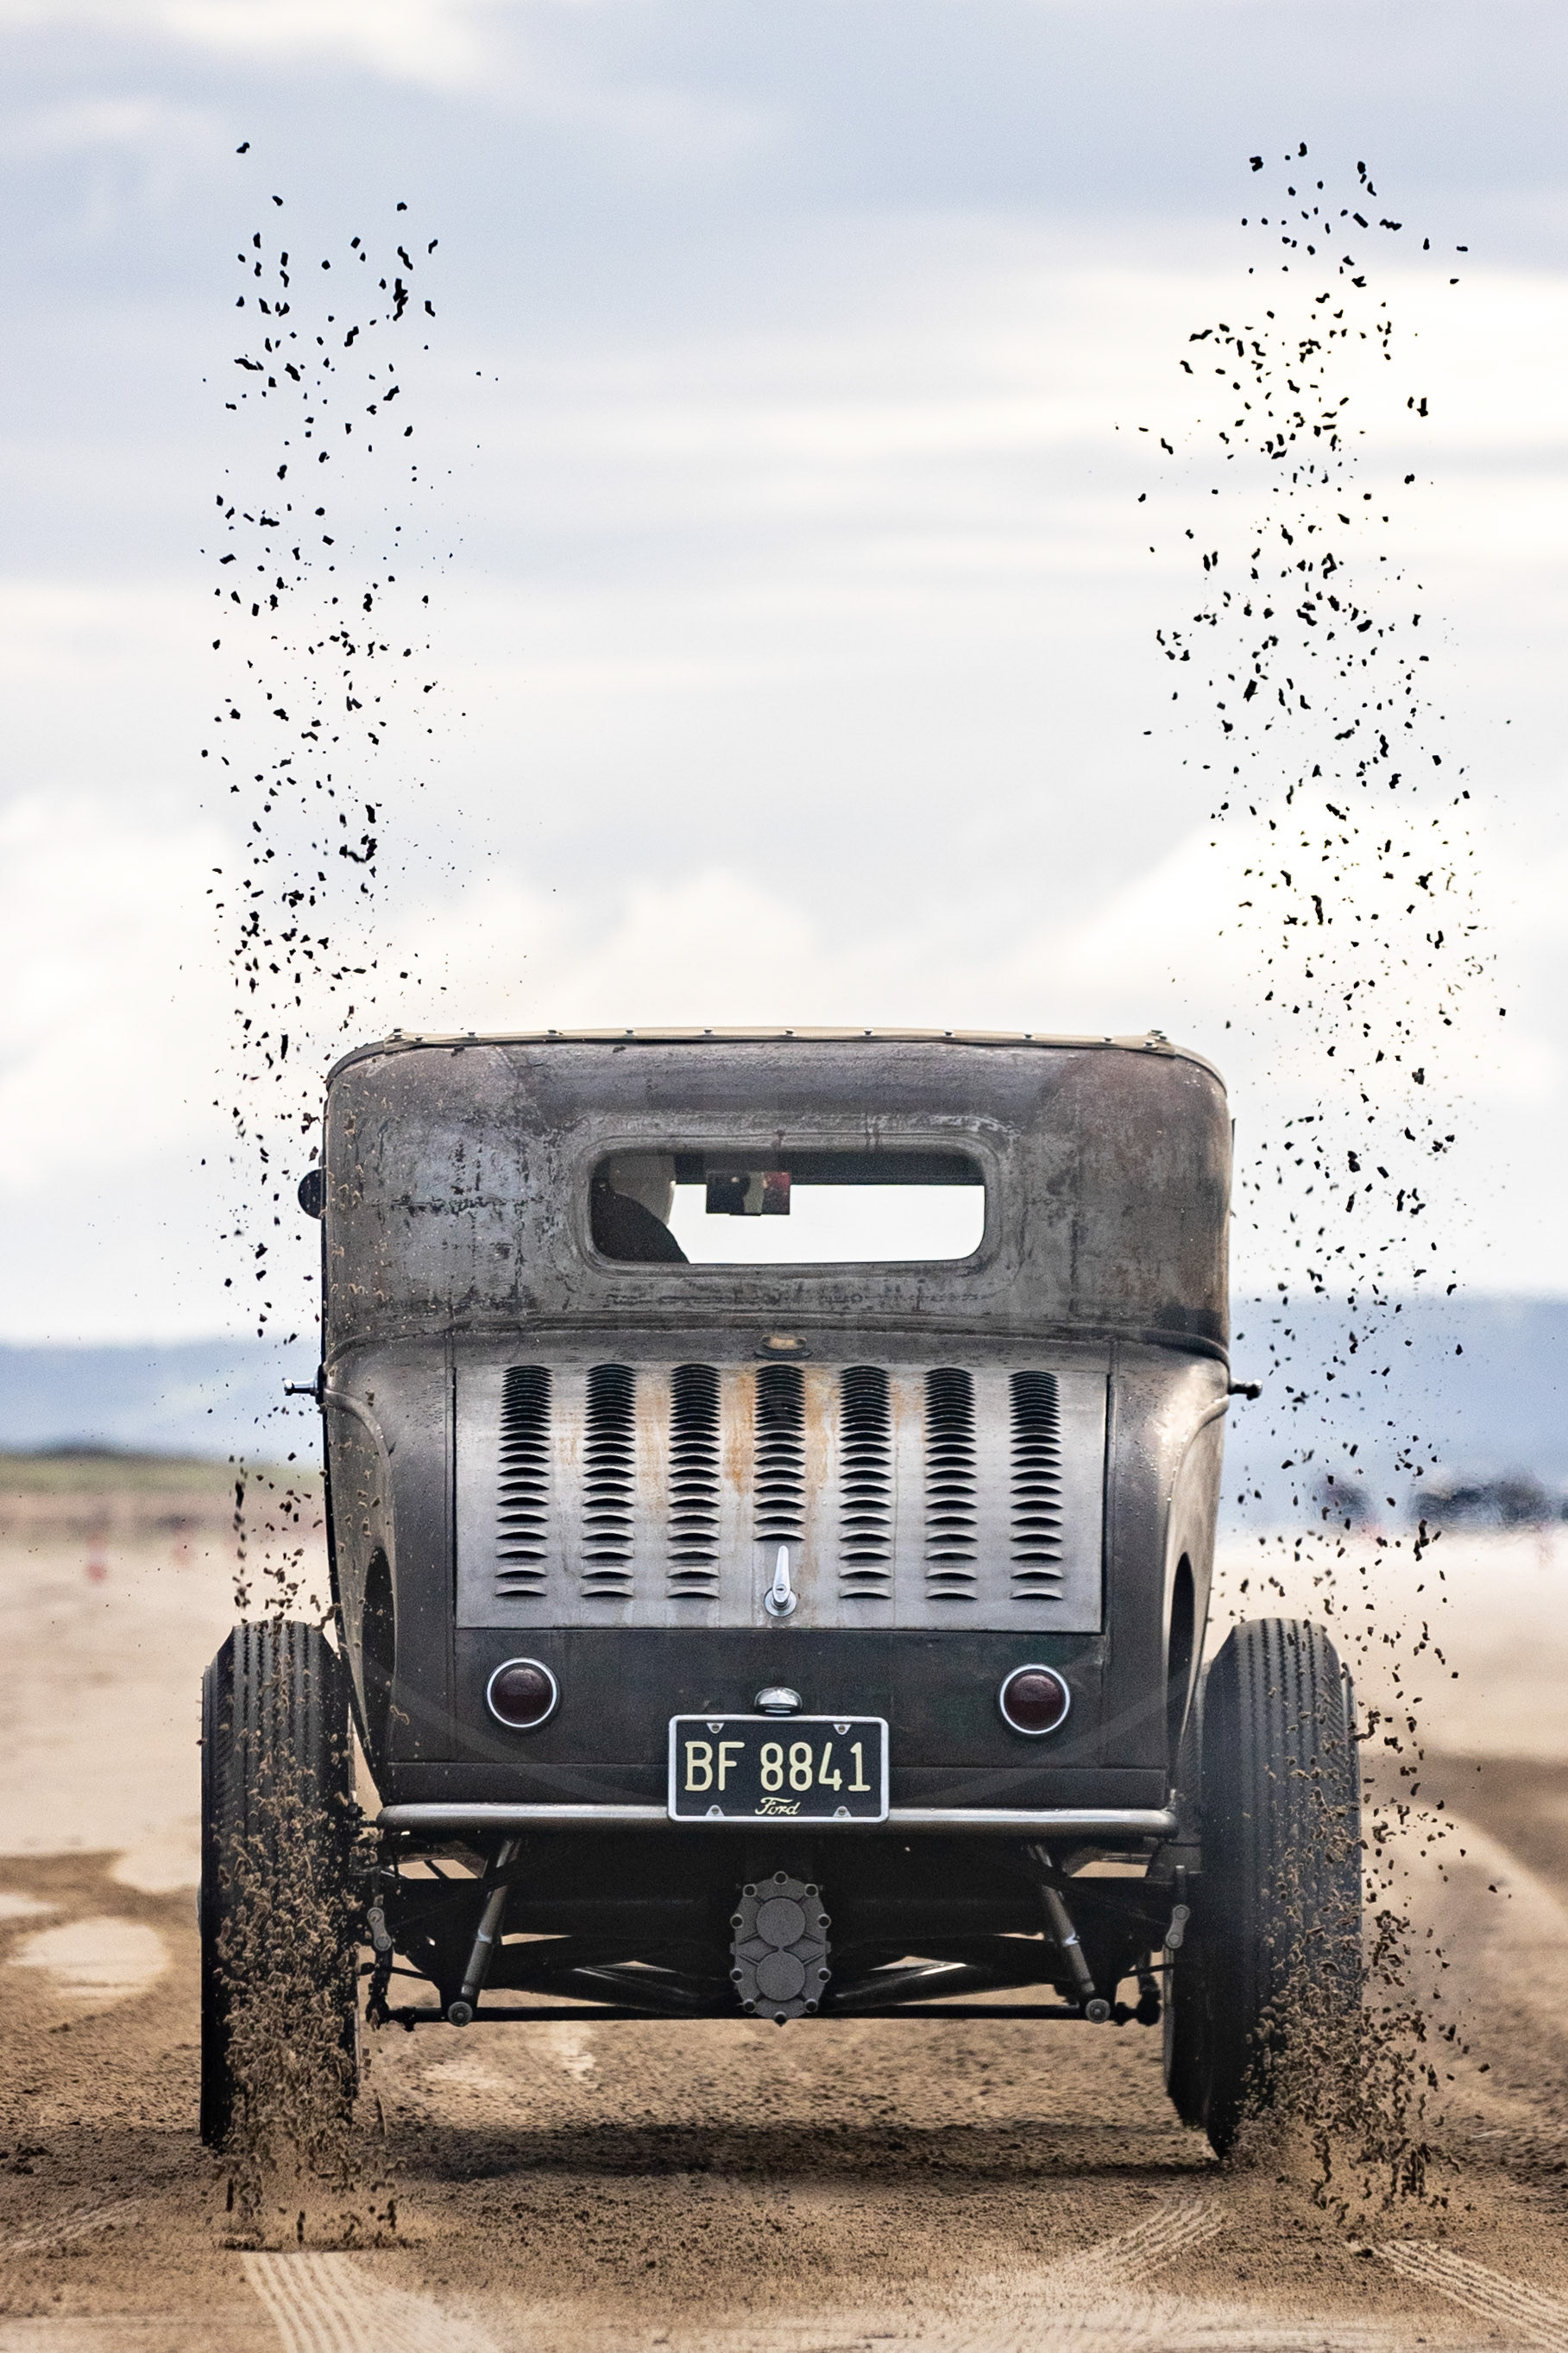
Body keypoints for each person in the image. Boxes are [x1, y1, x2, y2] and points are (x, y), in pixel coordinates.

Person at [590, 1151, 688, 1263]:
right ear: (646, 1186)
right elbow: (681, 1276)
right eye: (663, 1182)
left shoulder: (592, 1210)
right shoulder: (642, 1225)